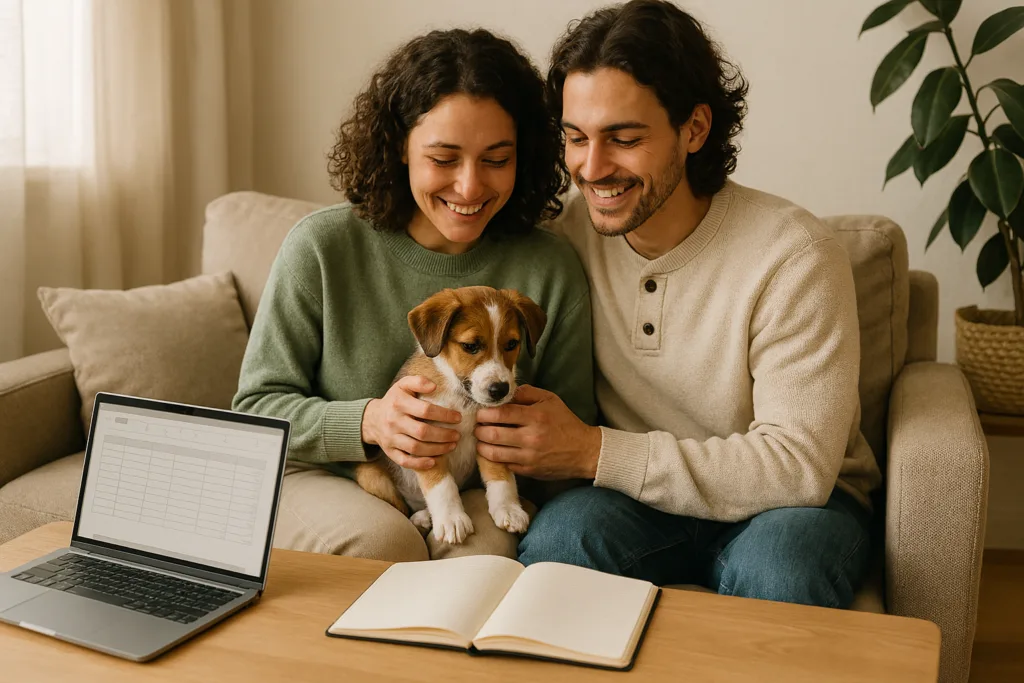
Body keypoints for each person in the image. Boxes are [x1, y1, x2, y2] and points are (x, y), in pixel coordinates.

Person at [474, 0, 882, 609]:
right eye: (576, 138)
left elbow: (797, 466)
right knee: (560, 543)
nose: (591, 168)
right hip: (632, 501)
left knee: (778, 569)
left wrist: (592, 450)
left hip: (793, 507)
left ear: (694, 128)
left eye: (624, 139)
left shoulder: (795, 255)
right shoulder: (563, 239)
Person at [233, 28, 597, 563]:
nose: (470, 187)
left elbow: (571, 429)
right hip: (338, 475)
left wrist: (535, 446)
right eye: (444, 158)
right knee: (381, 544)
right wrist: (370, 422)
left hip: (474, 481)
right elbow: (257, 408)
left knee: (480, 558)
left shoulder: (548, 266)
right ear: (400, 148)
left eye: (497, 158)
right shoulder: (321, 247)